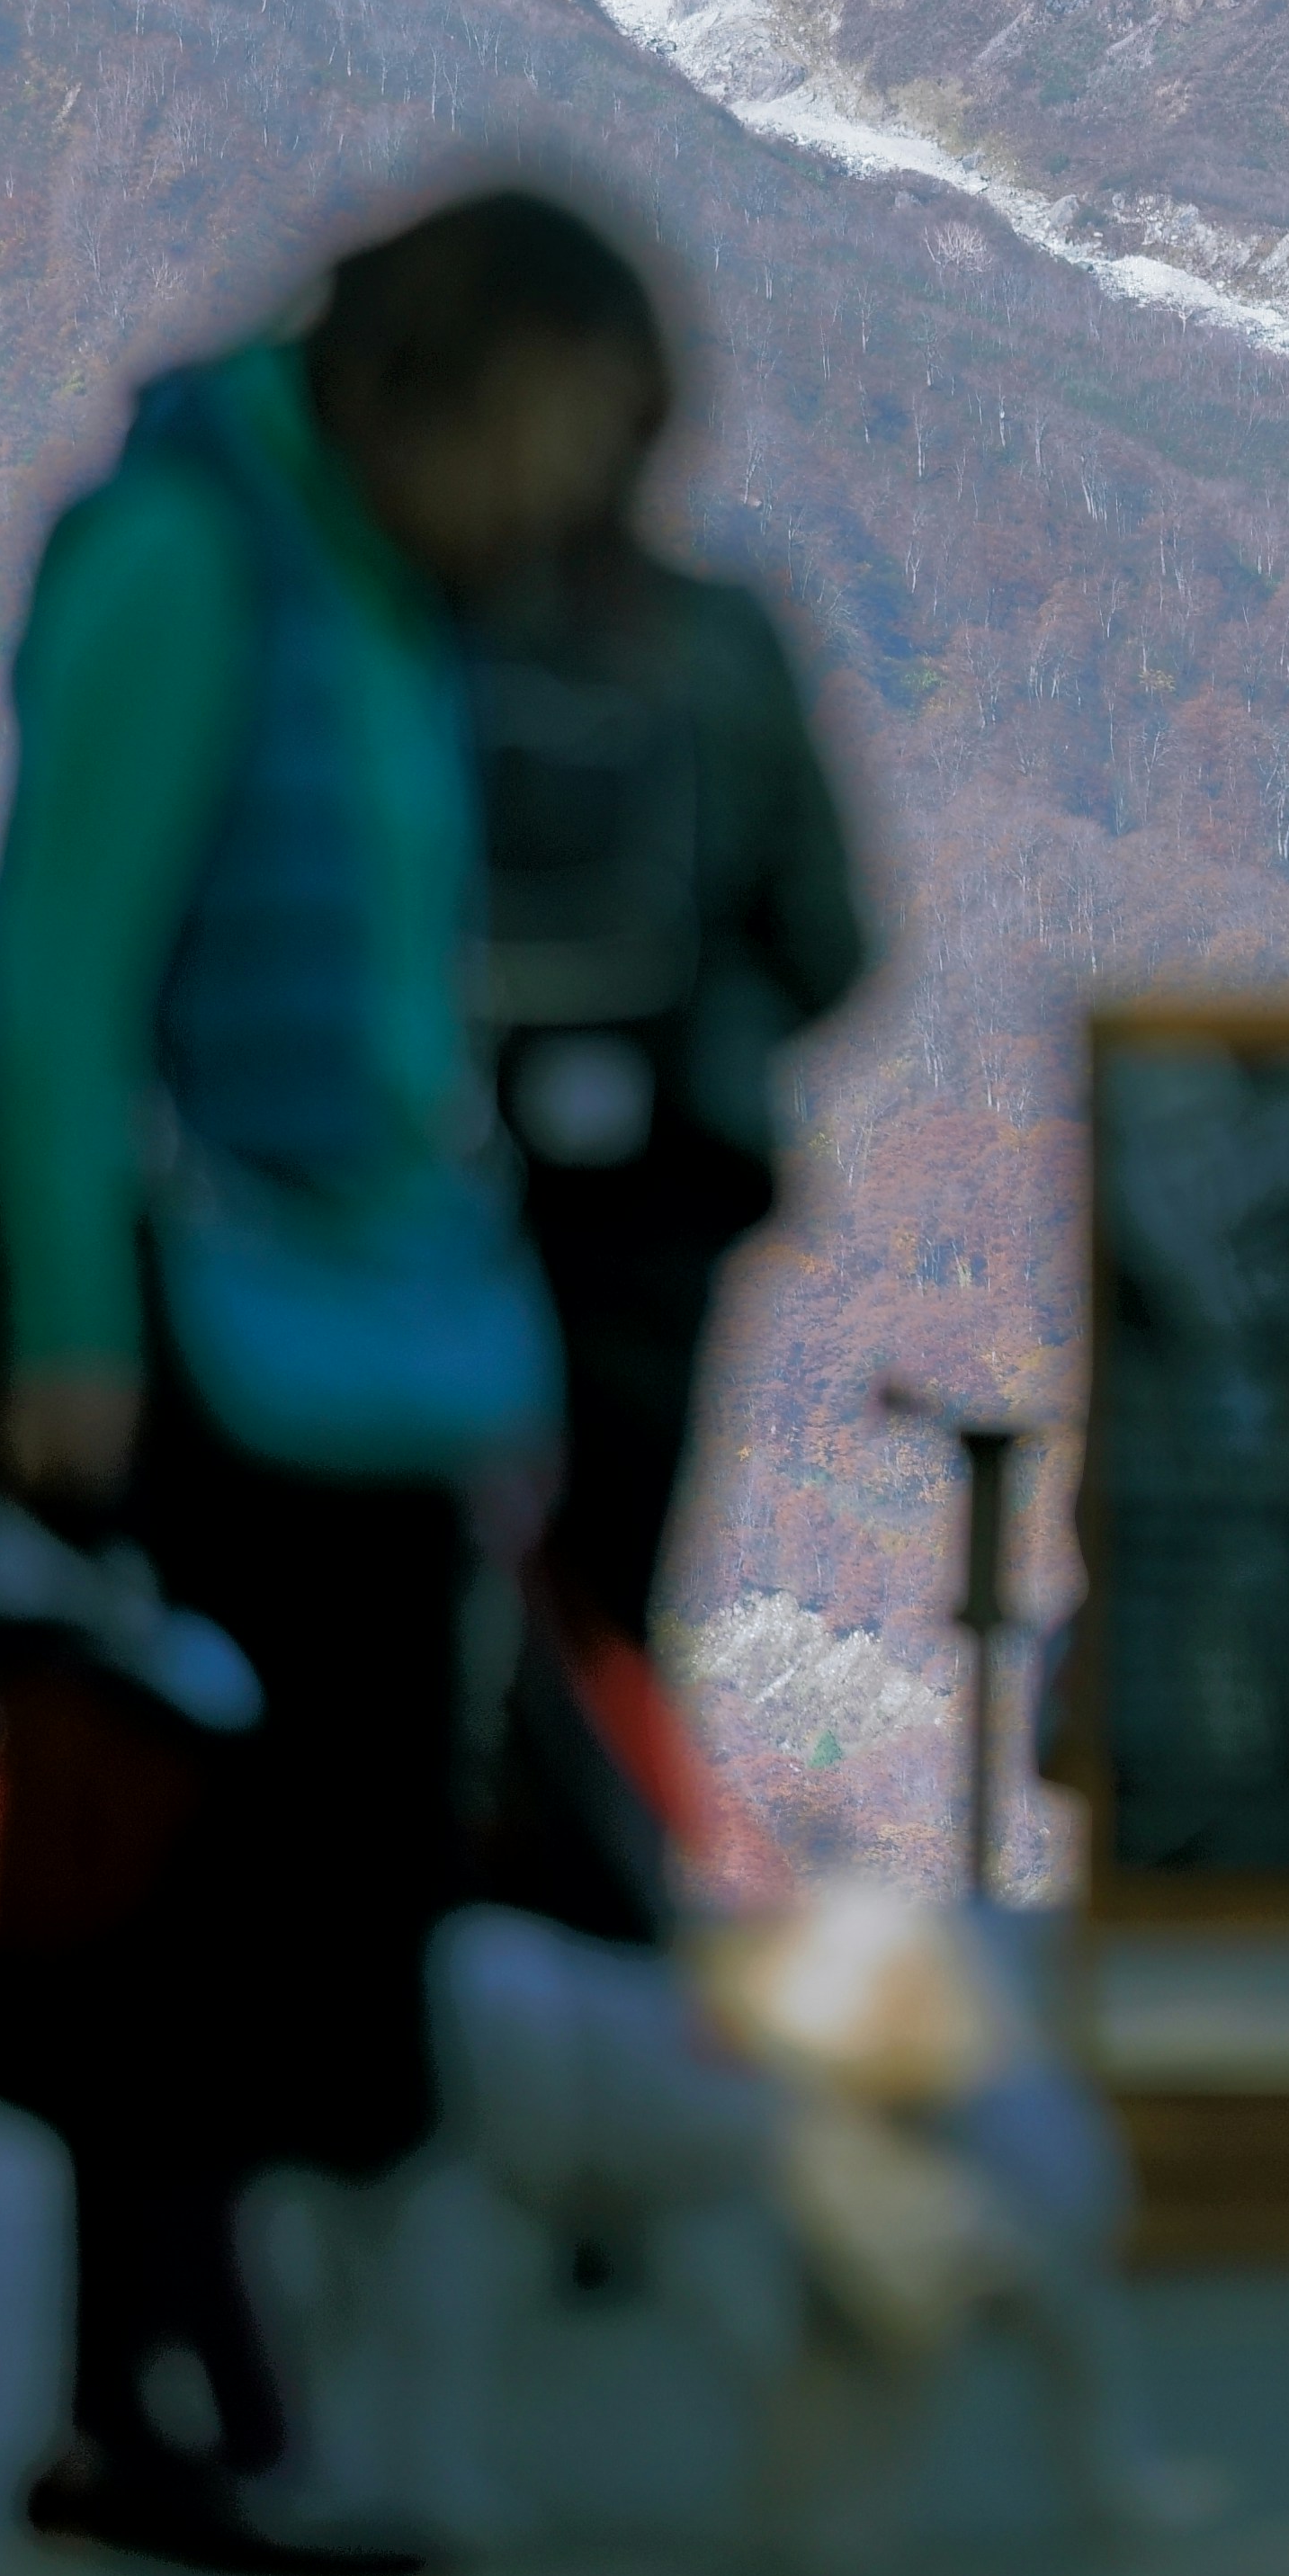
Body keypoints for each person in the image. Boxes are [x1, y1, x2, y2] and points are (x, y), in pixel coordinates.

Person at [0, 183, 668, 2574]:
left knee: (339, 1898)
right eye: (550, 440)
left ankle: (242, 2405)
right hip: (214, 1342)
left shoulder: (370, 583)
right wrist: (65, 1339)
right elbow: (57, 980)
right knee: (221, 1910)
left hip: (377, 1337)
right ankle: (190, 2420)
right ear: (425, 381)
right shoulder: (191, 558)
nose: (560, 505)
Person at [467, 457, 870, 1676]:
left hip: (432, 1174)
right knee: (612, 1593)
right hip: (660, 1192)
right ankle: (594, 1825)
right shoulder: (723, 640)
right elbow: (833, 951)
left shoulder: (412, 641)